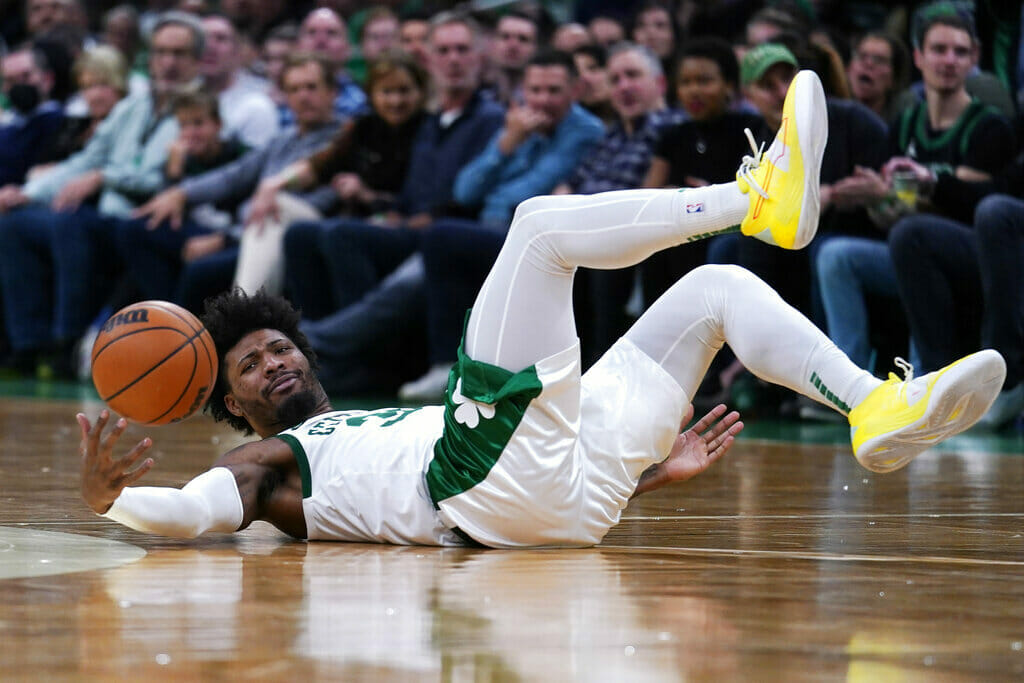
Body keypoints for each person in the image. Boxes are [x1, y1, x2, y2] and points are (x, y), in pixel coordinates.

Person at [79, 71, 1006, 547]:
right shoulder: (268, 457)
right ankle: (751, 200)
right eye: (250, 366)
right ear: (232, 405)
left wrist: (651, 474)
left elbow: (531, 486)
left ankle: (873, 408)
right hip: (485, 487)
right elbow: (205, 509)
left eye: (278, 346)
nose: (274, 363)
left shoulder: (372, 416)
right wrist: (118, 502)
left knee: (716, 292)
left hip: (574, 490)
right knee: (535, 228)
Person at [0, 11, 203, 377]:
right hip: (109, 217)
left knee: (70, 223)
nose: (168, 63)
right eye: (161, 52)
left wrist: (103, 176)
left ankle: (68, 341)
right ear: (149, 58)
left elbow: (162, 180)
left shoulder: (202, 109)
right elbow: (85, 159)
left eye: (179, 53)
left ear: (196, 60)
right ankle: (28, 343)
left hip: (151, 220)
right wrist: (26, 193)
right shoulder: (133, 106)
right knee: (15, 223)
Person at [397, 49, 605, 401]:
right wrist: (507, 143)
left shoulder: (585, 130)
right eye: (535, 90)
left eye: (553, 91)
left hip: (538, 239)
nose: (542, 100)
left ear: (575, 91)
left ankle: (444, 362)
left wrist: (496, 188)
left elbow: (527, 193)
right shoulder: (519, 126)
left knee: (439, 238)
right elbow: (464, 190)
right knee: (416, 264)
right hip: (497, 230)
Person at [122, 53, 343, 311]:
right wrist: (180, 192)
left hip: (276, 238)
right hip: (242, 230)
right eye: (294, 89)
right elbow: (234, 175)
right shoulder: (284, 140)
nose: (303, 96)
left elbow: (322, 204)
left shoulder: (341, 142)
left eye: (311, 87)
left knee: (200, 271)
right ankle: (169, 325)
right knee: (136, 228)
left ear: (332, 92)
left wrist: (226, 239)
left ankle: (188, 338)